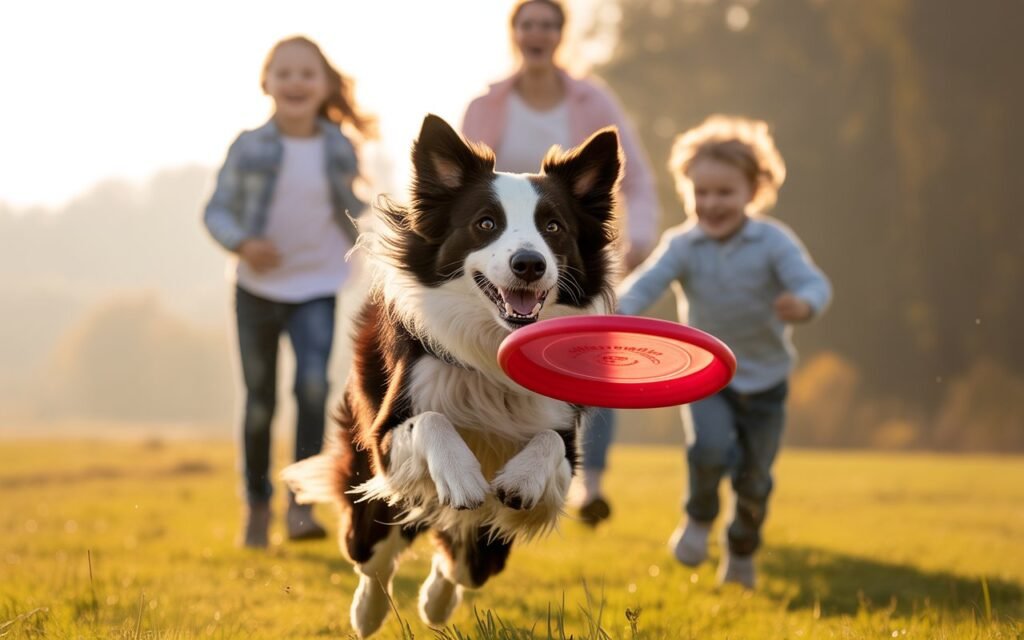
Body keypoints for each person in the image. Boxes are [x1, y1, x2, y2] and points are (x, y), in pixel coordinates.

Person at [461, 0, 660, 526]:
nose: (538, 33)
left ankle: (587, 480)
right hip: (504, 258)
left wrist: (635, 239)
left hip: (564, 256)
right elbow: (460, 189)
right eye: (528, 23)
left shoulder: (593, 99)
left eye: (549, 24)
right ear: (515, 33)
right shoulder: (488, 104)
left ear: (560, 35)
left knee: (596, 364)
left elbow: (633, 176)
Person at [617, 115, 832, 588]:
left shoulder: (772, 241)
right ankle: (698, 519)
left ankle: (741, 551)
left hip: (768, 382)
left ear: (753, 192)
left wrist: (803, 303)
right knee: (708, 450)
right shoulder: (683, 245)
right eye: (701, 193)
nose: (711, 204)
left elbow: (814, 283)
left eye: (724, 193)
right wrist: (609, 317)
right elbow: (642, 287)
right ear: (687, 190)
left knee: (755, 481)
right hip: (708, 377)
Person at [203, 35, 376, 548]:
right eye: (285, 73)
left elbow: (356, 204)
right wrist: (243, 243)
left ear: (324, 85)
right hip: (257, 289)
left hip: (317, 286)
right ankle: (257, 506)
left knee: (312, 388)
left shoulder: (338, 145)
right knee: (260, 403)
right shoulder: (249, 145)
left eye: (307, 73)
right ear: (267, 83)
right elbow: (215, 211)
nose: (296, 82)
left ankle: (299, 508)